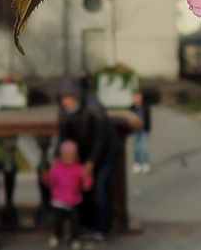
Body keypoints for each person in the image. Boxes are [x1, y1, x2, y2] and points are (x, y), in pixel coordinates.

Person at [56, 76, 117, 244]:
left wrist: (92, 162)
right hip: (82, 153)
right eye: (63, 100)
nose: (66, 103)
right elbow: (64, 136)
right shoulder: (64, 110)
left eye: (68, 99)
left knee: (100, 189)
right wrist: (59, 160)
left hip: (104, 153)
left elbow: (101, 138)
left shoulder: (94, 108)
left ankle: (102, 229)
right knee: (81, 189)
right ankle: (85, 225)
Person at [42, 138, 92, 249]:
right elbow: (51, 181)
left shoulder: (78, 168)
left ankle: (75, 239)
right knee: (58, 222)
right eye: (66, 155)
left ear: (75, 156)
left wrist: (87, 183)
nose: (68, 157)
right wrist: (46, 177)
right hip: (58, 201)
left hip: (73, 201)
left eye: (71, 155)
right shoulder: (56, 168)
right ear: (61, 155)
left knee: (75, 223)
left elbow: (85, 179)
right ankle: (56, 236)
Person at [129, 90, 152, 175]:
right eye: (137, 97)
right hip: (135, 131)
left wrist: (148, 130)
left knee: (145, 148)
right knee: (136, 148)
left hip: (143, 130)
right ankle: (137, 164)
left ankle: (145, 164)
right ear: (134, 98)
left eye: (140, 97)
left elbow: (149, 119)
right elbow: (129, 120)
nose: (138, 99)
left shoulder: (146, 107)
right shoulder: (131, 108)